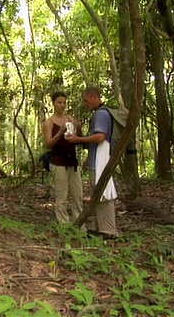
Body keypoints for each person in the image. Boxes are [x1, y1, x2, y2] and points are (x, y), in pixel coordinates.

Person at [65, 86, 119, 239]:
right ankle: (102, 228)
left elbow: (100, 137)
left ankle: (109, 230)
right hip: (97, 159)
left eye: (86, 100)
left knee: (103, 193)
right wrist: (89, 159)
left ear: (94, 97)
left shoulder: (101, 114)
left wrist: (77, 139)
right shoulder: (100, 113)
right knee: (99, 193)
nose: (85, 103)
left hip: (101, 161)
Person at [43, 91, 83, 225]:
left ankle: (79, 222)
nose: (62, 105)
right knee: (62, 195)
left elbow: (78, 139)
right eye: (59, 102)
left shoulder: (70, 118)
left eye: (64, 102)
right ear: (53, 103)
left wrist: (79, 127)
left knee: (77, 194)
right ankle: (63, 224)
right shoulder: (49, 122)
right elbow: (48, 144)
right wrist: (59, 133)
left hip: (72, 161)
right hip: (58, 162)